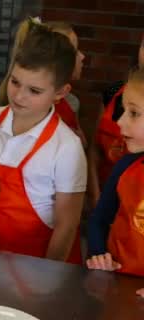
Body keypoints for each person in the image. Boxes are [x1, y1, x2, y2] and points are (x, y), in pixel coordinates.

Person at [0, 18, 86, 263]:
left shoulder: (66, 147)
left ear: (61, 93)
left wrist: (46, 278)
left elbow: (66, 226)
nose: (19, 96)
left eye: (34, 91)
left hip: (35, 270)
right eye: (15, 82)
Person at [86, 68, 144, 297]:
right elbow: (98, 221)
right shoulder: (125, 167)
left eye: (134, 113)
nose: (119, 122)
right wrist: (99, 255)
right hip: (118, 286)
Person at [0, 20, 87, 145]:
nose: (82, 56)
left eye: (34, 90)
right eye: (74, 51)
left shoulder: (68, 142)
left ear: (61, 92)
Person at [87, 34, 144, 208]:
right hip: (104, 194)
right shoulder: (114, 91)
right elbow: (95, 149)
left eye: (134, 113)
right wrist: (97, 197)